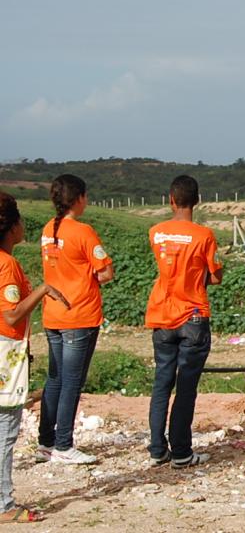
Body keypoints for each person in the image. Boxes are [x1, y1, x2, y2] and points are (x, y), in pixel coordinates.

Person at [0, 192, 70, 522]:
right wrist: (42, 290)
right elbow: (12, 314)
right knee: (6, 429)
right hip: (5, 352)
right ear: (12, 227)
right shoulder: (6, 265)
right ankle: (4, 505)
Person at [145, 175, 223, 468]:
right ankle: (181, 451)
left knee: (162, 382)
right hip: (193, 316)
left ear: (171, 200)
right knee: (186, 387)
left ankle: (157, 448)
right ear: (197, 200)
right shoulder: (204, 236)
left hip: (162, 314)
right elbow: (215, 275)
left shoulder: (156, 232)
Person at [36, 174, 114, 465]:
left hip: (53, 313)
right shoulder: (83, 231)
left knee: (55, 378)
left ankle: (46, 442)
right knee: (72, 381)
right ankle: (64, 444)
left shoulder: (48, 229)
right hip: (79, 314)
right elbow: (105, 272)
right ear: (79, 198)